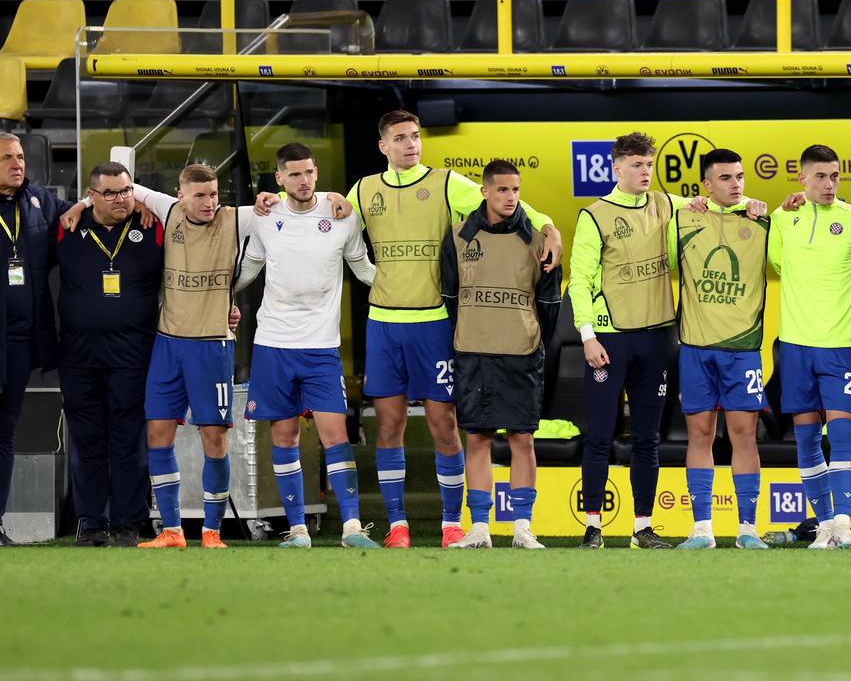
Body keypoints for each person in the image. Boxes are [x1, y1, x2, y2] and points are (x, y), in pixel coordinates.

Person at [258, 110, 561, 549]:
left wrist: (549, 226)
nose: (411, 144)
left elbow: (504, 200)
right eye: (400, 138)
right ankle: (397, 524)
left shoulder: (445, 183)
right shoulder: (363, 190)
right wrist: (270, 198)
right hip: (383, 322)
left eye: (415, 137)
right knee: (389, 426)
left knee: (444, 424)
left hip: (434, 323)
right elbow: (313, 205)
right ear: (383, 146)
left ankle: (452, 524)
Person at [568, 132, 762, 549]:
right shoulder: (595, 215)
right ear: (615, 168)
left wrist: (757, 204)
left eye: (648, 165)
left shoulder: (667, 204)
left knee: (647, 438)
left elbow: (721, 202)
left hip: (657, 338)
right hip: (609, 339)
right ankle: (593, 527)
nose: (644, 172)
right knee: (600, 434)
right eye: (635, 165)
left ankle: (642, 527)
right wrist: (586, 335)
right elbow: (579, 282)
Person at [235, 143, 379, 550]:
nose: (304, 180)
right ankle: (297, 530)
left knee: (335, 435)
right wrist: (219, 297)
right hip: (273, 344)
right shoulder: (266, 216)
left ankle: (352, 528)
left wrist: (408, 287)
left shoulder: (341, 216)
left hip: (320, 347)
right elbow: (249, 268)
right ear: (279, 178)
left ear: (317, 173)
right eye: (294, 174)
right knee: (284, 437)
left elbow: (364, 269)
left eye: (310, 172)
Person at [124, 164, 256, 549]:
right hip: (168, 344)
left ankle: (212, 532)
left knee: (213, 437)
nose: (209, 202)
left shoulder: (235, 219)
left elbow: (284, 207)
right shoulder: (167, 210)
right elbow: (123, 184)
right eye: (200, 195)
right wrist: (81, 206)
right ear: (182, 195)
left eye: (213, 194)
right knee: (158, 434)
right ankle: (172, 530)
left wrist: (330, 200)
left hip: (212, 345)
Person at [440, 160, 560, 550]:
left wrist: (529, 337)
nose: (510, 197)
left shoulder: (540, 241)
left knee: (522, 439)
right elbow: (449, 297)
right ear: (485, 192)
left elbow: (549, 304)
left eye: (516, 190)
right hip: (473, 354)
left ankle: (523, 527)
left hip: (521, 354)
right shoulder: (459, 235)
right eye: (503, 190)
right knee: (477, 438)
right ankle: (479, 529)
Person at [768, 144, 851, 550]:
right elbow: (779, 265)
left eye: (835, 176)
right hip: (796, 346)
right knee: (807, 438)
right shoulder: (784, 218)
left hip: (841, 345)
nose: (829, 184)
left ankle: (845, 525)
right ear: (802, 178)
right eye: (820, 176)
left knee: (842, 433)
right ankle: (826, 527)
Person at [52, 162, 162, 546]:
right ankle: (92, 522)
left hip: (134, 355)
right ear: (91, 195)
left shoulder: (153, 226)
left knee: (129, 441)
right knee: (87, 441)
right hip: (79, 357)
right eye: (111, 193)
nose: (121, 199)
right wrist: (79, 206)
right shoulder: (66, 227)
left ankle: (129, 522)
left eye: (127, 190)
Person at [669, 149, 770, 550]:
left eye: (740, 177)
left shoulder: (762, 218)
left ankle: (748, 529)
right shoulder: (684, 216)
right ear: (707, 185)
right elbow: (649, 203)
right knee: (699, 434)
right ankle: (702, 530)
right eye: (725, 178)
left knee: (745, 435)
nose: (736, 185)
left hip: (742, 348)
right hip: (695, 347)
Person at [0, 133, 72, 546]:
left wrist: (136, 203)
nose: (17, 163)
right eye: (8, 157)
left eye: (21, 156)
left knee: (5, 431)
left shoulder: (39, 202)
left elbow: (84, 211)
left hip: (20, 343)